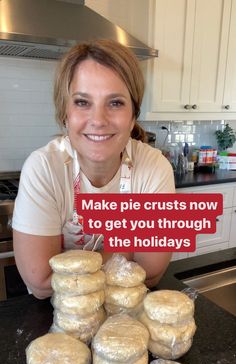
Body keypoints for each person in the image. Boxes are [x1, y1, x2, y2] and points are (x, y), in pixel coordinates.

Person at [12, 39, 175, 299]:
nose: (98, 121)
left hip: (127, 309)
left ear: (133, 115)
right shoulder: (44, 167)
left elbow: (152, 270)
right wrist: (130, 248)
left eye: (115, 103)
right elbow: (41, 282)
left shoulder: (154, 167)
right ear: (65, 113)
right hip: (59, 317)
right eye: (82, 102)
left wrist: (70, 269)